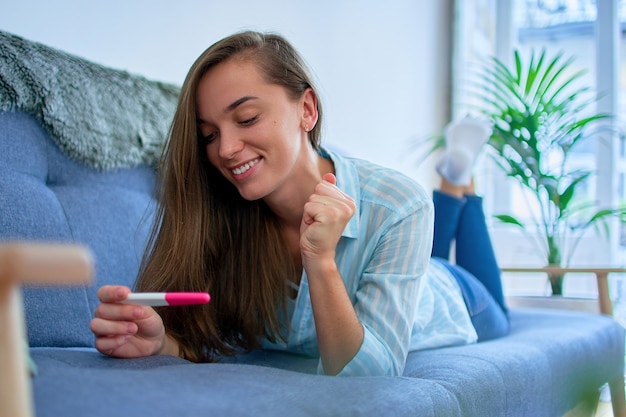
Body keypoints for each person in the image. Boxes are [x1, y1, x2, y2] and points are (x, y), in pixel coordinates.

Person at [90, 31, 508, 378]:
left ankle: (457, 182)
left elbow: (368, 381)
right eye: (209, 135)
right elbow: (213, 338)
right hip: (400, 261)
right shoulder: (221, 213)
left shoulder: (397, 203)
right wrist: (162, 341)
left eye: (247, 118)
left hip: (457, 297)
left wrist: (320, 260)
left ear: (306, 109)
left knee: (493, 297)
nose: (227, 149)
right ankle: (456, 177)